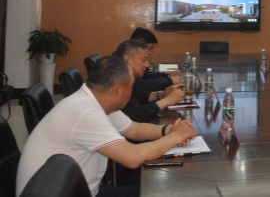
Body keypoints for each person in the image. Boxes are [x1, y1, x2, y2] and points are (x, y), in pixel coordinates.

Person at [16, 56, 197, 197]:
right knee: (164, 191)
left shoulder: (96, 101)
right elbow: (132, 157)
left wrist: (170, 129)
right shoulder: (85, 112)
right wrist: (174, 137)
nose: (132, 92)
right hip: (68, 193)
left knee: (157, 186)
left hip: (80, 190)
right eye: (131, 87)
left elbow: (134, 129)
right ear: (117, 89)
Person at [114, 39, 185, 122]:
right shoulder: (116, 79)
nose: (147, 65)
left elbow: (139, 95)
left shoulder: (126, 76)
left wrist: (162, 94)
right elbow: (135, 113)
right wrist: (167, 100)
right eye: (143, 60)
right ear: (127, 59)